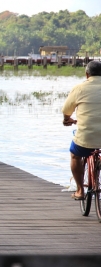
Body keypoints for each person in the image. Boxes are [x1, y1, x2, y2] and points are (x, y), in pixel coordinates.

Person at [62, 61, 101, 200]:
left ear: (87, 74)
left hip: (87, 137)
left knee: (75, 155)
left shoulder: (79, 88)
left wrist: (67, 119)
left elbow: (66, 110)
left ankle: (79, 190)